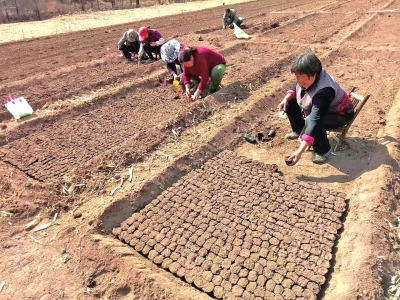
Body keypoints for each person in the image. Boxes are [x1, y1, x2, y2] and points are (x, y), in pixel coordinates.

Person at [279, 53, 354, 164]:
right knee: (290, 102)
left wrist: (299, 151)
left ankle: (322, 150)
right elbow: (295, 87)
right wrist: (285, 99)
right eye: (297, 77)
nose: (300, 81)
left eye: (303, 78)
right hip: (324, 109)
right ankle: (298, 130)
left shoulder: (325, 91)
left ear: (314, 73)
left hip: (340, 114)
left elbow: (315, 119)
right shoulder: (305, 78)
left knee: (312, 121)